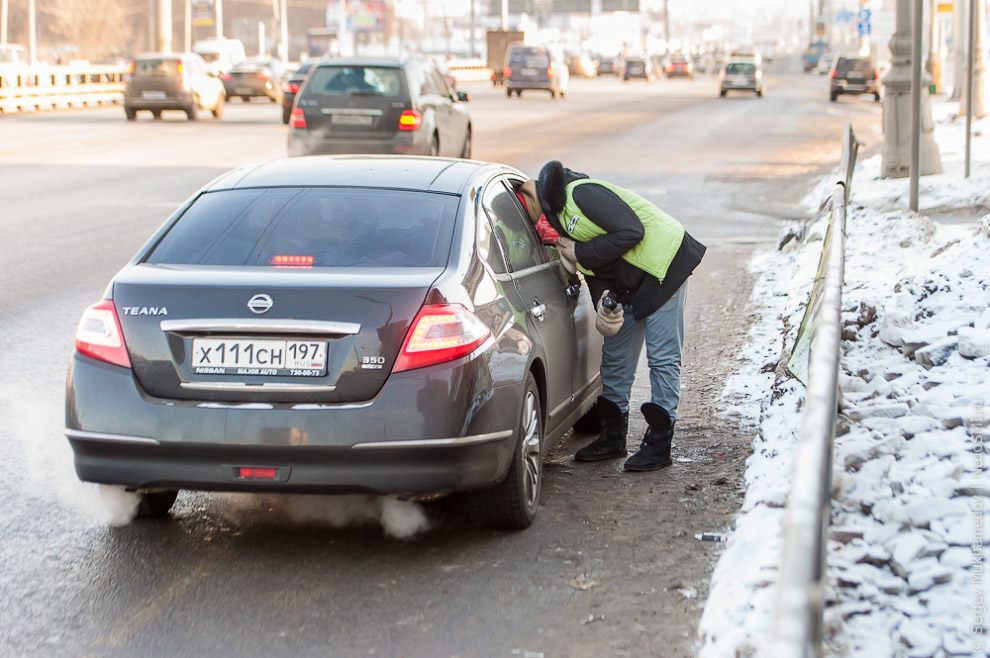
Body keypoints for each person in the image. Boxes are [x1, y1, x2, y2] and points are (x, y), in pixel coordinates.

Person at [517, 163, 706, 471]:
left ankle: (659, 444)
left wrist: (580, 251)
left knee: (662, 357)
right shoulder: (563, 231)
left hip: (664, 267)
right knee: (615, 357)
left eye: (538, 226)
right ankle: (613, 438)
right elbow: (595, 271)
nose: (542, 236)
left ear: (543, 208)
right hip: (628, 283)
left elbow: (632, 231)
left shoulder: (582, 194)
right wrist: (604, 302)